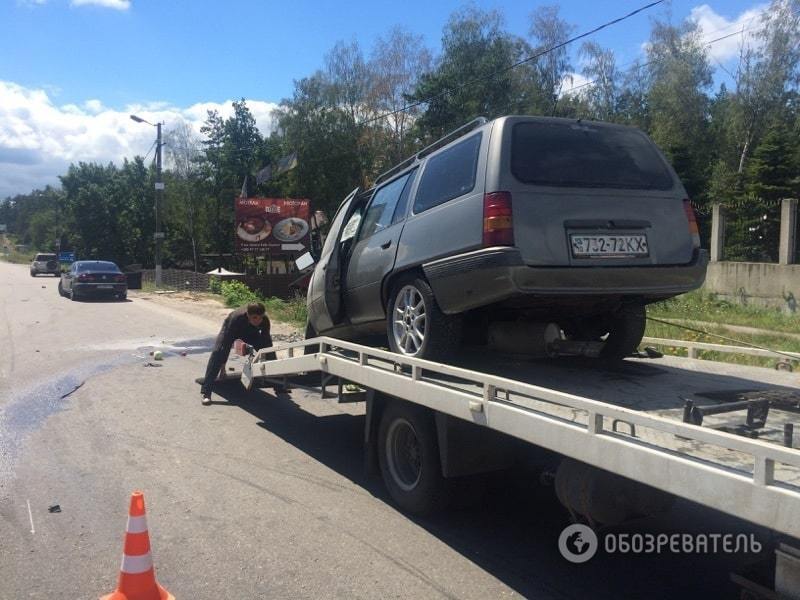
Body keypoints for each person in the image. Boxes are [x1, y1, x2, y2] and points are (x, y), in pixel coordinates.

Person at [200, 302, 276, 405]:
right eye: (255, 318)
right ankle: (206, 392)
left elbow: (266, 340)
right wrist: (223, 366)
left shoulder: (264, 320)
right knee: (218, 352)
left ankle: (278, 384)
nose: (258, 321)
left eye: (260, 318)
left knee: (267, 348)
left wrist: (260, 359)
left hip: (250, 331)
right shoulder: (237, 318)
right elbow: (227, 342)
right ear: (248, 315)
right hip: (231, 330)